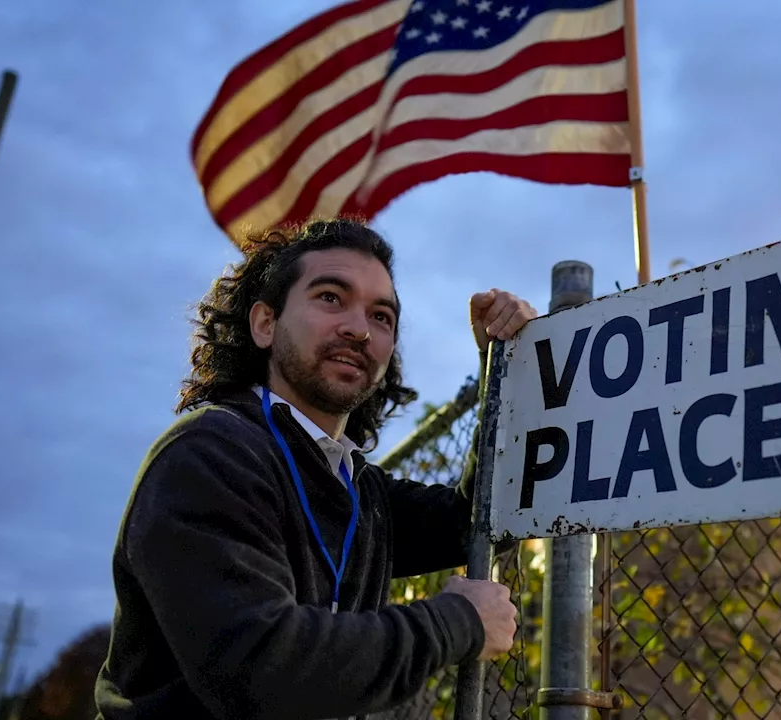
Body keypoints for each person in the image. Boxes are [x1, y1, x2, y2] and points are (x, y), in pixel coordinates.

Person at [95, 218, 537, 720]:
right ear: (265, 324)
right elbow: (262, 669)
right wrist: (457, 622)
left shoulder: (358, 489)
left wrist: (506, 368)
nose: (358, 328)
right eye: (330, 297)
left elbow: (478, 521)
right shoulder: (208, 454)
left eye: (382, 316)